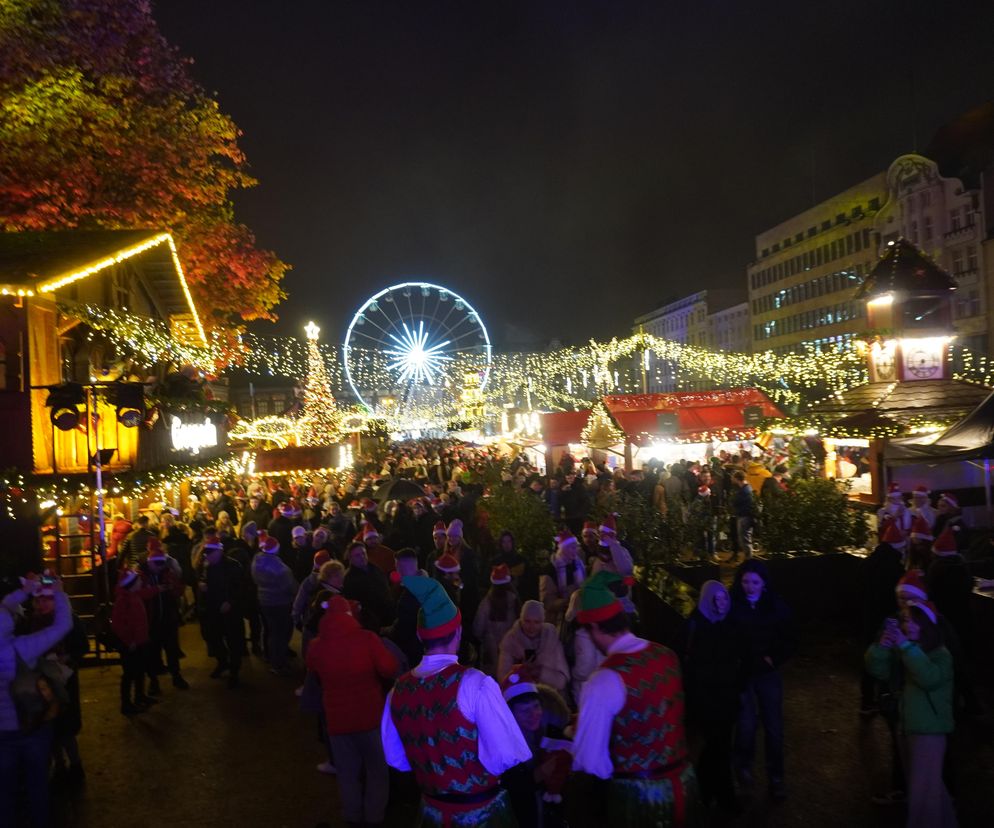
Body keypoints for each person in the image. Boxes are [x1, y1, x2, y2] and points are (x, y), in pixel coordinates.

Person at [381, 576, 531, 827]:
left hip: (432, 813)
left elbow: (397, 759)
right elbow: (506, 756)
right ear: (458, 632)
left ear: (420, 636)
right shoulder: (476, 683)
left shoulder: (397, 691)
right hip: (480, 815)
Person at [570, 571, 698, 827]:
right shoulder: (667, 656)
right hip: (685, 786)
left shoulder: (603, 680)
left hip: (640, 800)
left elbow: (590, 762)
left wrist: (579, 730)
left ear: (593, 626)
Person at [307, 595, 399, 828]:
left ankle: (352, 815)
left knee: (347, 772)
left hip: (337, 720)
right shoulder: (367, 639)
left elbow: (314, 671)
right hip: (369, 717)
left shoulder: (316, 646)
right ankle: (374, 816)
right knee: (377, 769)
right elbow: (389, 668)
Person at [865, 602, 957, 828]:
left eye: (913, 620)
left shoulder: (940, 655)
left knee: (922, 796)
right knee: (929, 788)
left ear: (926, 624)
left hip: (930, 732)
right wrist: (881, 647)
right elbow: (877, 670)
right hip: (906, 726)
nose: (908, 625)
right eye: (905, 620)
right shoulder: (908, 649)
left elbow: (929, 678)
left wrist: (904, 646)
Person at [0, 576, 73, 828]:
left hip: (1, 732)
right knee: (37, 784)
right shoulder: (23, 648)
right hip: (31, 727)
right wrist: (59, 592)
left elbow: (4, 608)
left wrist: (25, 591)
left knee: (5, 791)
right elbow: (63, 625)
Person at [675, 580, 745, 814]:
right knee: (719, 747)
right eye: (718, 599)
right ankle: (723, 798)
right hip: (705, 699)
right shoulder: (695, 625)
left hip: (726, 698)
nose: (723, 603)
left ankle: (706, 792)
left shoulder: (729, 624)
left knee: (719, 746)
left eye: (725, 598)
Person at [729, 558, 793, 800]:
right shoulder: (733, 605)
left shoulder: (775, 606)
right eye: (745, 581)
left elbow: (789, 638)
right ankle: (743, 765)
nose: (750, 586)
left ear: (764, 583)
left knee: (774, 727)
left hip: (766, 674)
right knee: (745, 725)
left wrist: (774, 659)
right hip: (744, 674)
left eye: (755, 582)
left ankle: (776, 777)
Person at [501, 665, 573, 828]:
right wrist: (539, 774)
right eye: (525, 711)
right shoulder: (506, 748)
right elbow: (512, 790)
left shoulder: (549, 729)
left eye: (536, 706)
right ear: (511, 716)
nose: (534, 714)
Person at [140, 539, 189, 693]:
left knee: (172, 650)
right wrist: (156, 590)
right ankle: (153, 681)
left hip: (168, 618)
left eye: (162, 563)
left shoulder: (167, 572)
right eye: (157, 564)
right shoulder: (142, 576)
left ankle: (176, 676)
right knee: (152, 652)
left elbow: (179, 591)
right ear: (150, 562)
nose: (160, 567)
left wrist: (173, 586)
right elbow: (137, 595)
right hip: (151, 620)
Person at [111, 568, 162, 714]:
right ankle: (126, 704)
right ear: (132, 583)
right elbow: (118, 625)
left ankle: (139, 697)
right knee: (129, 674)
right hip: (131, 644)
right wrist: (129, 640)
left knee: (139, 671)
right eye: (138, 580)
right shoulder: (124, 600)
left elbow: (147, 593)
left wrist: (158, 588)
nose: (141, 581)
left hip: (140, 641)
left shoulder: (132, 595)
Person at [200, 537, 245, 687]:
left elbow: (242, 588)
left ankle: (234, 671)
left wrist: (230, 602)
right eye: (206, 553)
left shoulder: (233, 566)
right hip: (213, 608)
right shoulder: (207, 566)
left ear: (219, 551)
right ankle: (222, 663)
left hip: (231, 611)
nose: (207, 556)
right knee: (214, 638)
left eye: (210, 553)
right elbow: (202, 579)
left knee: (234, 641)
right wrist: (202, 585)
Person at [251, 531, 298, 677]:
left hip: (264, 601)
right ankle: (279, 663)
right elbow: (290, 587)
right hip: (281, 603)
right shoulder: (281, 569)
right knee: (281, 633)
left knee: (271, 630)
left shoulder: (257, 560)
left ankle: (270, 656)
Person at [497, 600, 570, 693]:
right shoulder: (510, 642)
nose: (531, 627)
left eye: (536, 622)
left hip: (547, 698)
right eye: (527, 621)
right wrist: (521, 672)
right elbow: (503, 679)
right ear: (521, 619)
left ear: (542, 621)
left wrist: (540, 672)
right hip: (520, 696)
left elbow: (562, 681)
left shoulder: (551, 640)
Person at [472, 564, 521, 677]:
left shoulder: (486, 603)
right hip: (511, 653)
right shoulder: (515, 602)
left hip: (490, 653)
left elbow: (477, 629)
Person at [540, 529, 585, 629]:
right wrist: (569, 601)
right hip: (558, 621)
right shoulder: (550, 570)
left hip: (579, 618)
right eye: (571, 548)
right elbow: (547, 602)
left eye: (575, 547)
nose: (575, 550)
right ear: (563, 549)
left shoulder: (578, 565)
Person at [729, 471, 756, 560]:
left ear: (737, 479)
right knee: (745, 539)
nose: (731, 479)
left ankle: (749, 560)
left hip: (744, 516)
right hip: (744, 516)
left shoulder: (744, 490)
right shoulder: (746, 488)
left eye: (733, 477)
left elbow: (735, 502)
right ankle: (748, 559)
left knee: (745, 539)